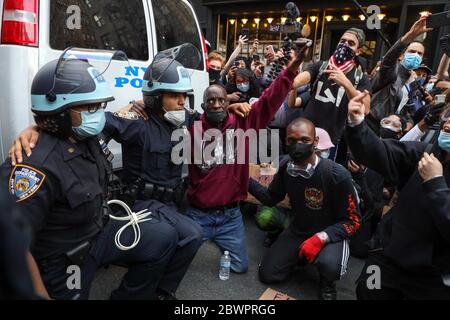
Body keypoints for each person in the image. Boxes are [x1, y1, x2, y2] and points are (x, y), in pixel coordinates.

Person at [0, 56, 192, 300]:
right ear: (59, 111)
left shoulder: (86, 138)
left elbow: (111, 122)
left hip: (100, 231)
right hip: (67, 256)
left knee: (164, 237)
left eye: (99, 106)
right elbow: (13, 246)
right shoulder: (34, 166)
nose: (98, 114)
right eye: (90, 107)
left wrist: (34, 127)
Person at [184, 42, 309, 274]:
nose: (217, 104)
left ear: (228, 102)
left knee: (240, 267)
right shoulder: (193, 131)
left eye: (222, 100)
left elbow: (269, 100)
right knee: (174, 261)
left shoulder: (243, 124)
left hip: (230, 217)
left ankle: (221, 240)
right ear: (203, 107)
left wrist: (291, 69)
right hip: (198, 214)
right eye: (211, 101)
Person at [347, 90, 450, 300]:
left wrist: (436, 184)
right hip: (387, 260)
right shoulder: (425, 153)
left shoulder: (433, 172)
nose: (447, 125)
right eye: (447, 118)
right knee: (369, 292)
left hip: (432, 278)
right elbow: (381, 152)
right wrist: (358, 125)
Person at [248, 118, 361, 300]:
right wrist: (243, 180)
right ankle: (300, 257)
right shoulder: (286, 168)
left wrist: (321, 238)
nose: (297, 145)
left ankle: (327, 283)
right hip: (299, 229)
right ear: (285, 141)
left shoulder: (336, 175)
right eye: (291, 140)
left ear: (315, 142)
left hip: (330, 234)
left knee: (330, 266)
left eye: (305, 140)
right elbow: (271, 198)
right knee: (268, 274)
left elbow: (353, 222)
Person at [287, 28, 372, 160]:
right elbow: (294, 82)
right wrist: (294, 64)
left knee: (322, 176)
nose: (344, 45)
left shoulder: (360, 78)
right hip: (304, 134)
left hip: (330, 140)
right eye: (342, 41)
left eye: (351, 43)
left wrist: (346, 83)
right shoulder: (321, 66)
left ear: (358, 51)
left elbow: (365, 109)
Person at [367, 14, 433, 134]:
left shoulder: (414, 82)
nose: (416, 55)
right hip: (372, 127)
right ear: (401, 56)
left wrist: (409, 123)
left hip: (391, 133)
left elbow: (407, 110)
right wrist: (410, 35)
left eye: (420, 53)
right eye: (412, 51)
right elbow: (388, 60)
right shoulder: (392, 71)